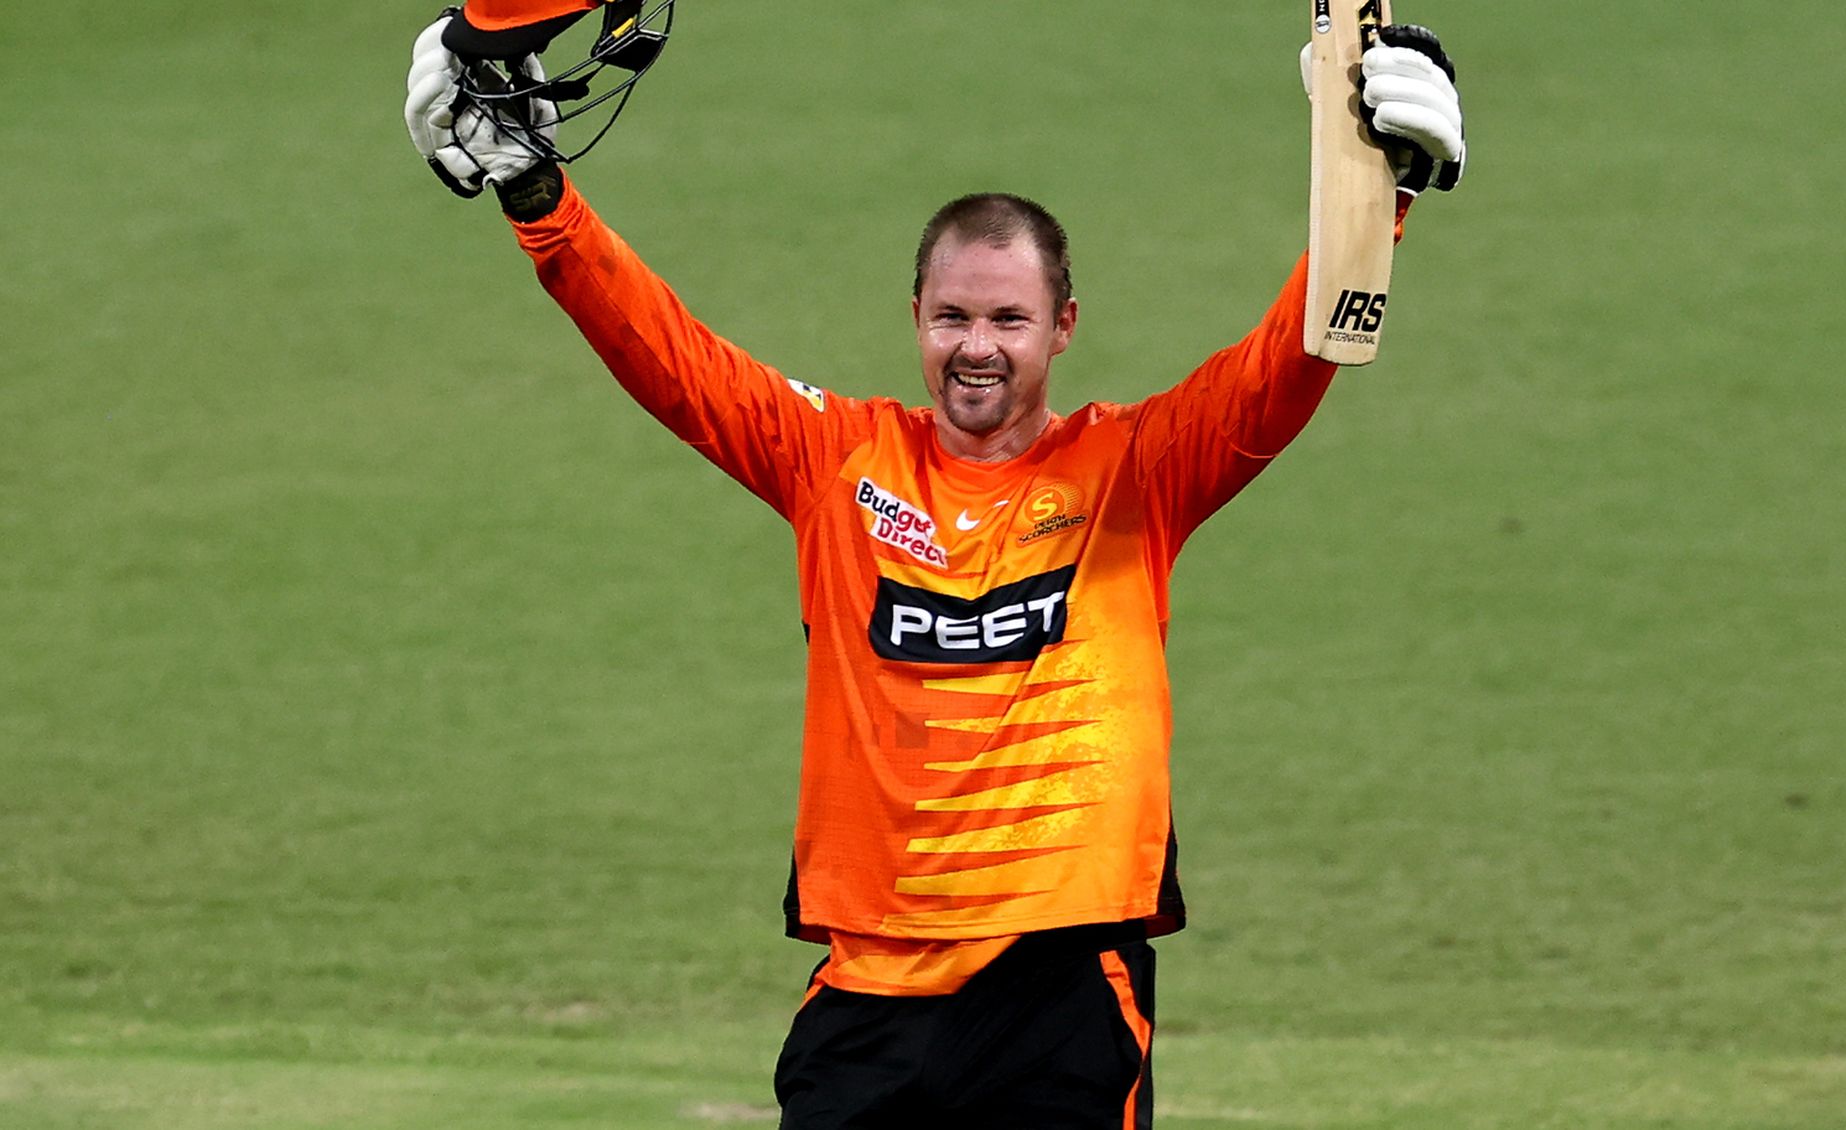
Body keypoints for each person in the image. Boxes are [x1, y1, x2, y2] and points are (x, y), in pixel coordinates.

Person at [405, 8, 1465, 1126]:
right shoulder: (835, 461)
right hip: (869, 990)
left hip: (1059, 985)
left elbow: (1283, 368)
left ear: (1062, 326)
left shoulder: (1138, 471)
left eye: (1008, 317)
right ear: (915, 317)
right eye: (953, 315)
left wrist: (1379, 196)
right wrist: (539, 200)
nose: (977, 344)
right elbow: (668, 353)